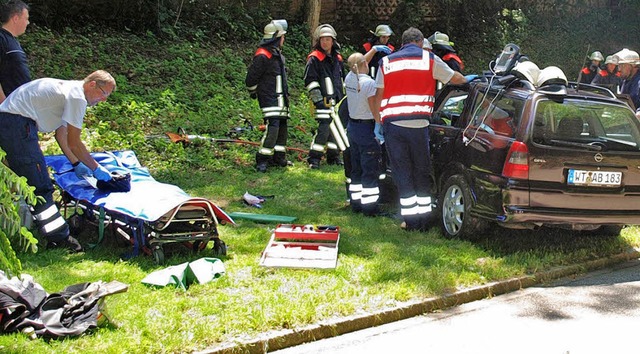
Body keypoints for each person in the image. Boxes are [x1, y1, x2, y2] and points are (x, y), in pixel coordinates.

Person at [0, 70, 117, 252]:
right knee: (40, 186)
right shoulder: (77, 97)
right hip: (17, 125)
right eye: (104, 94)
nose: (103, 100)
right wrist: (97, 168)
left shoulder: (70, 90)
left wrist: (77, 163)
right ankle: (59, 239)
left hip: (12, 122)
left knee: (33, 184)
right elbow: (75, 142)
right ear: (92, 84)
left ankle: (49, 231)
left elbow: (61, 134)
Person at [374, 27, 467, 231]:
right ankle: (423, 221)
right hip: (419, 126)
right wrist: (468, 80)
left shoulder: (387, 61)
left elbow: (378, 94)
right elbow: (453, 78)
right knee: (421, 171)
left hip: (394, 126)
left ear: (403, 42)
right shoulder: (429, 59)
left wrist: (377, 122)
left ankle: (410, 221)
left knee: (402, 173)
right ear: (419, 41)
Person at [245, 20, 290, 173]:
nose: (284, 39)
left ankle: (278, 158)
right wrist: (254, 92)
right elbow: (251, 79)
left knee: (282, 128)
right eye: (282, 37)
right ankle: (262, 160)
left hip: (281, 99)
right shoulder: (263, 55)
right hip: (270, 98)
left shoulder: (277, 55)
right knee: (273, 128)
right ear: (276, 37)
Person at [304, 24, 347, 169]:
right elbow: (310, 81)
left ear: (333, 41)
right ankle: (314, 158)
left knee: (336, 130)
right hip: (323, 101)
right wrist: (317, 100)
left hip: (338, 100)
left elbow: (342, 79)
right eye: (322, 40)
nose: (325, 42)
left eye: (328, 39)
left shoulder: (338, 59)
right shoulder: (314, 58)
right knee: (323, 130)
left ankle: (333, 156)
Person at [344, 52, 380, 216]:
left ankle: (356, 203)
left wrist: (372, 49)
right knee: (369, 170)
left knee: (356, 168)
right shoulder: (369, 84)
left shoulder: (349, 78)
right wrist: (379, 124)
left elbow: (357, 63)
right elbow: (373, 108)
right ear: (365, 64)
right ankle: (370, 208)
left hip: (353, 127)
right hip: (366, 128)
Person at [0, 0, 30, 103]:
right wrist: (3, 102)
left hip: (18, 105)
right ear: (16, 18)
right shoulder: (1, 38)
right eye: (26, 19)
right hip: (7, 107)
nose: (28, 22)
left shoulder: (13, 41)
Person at [614, 48, 640, 117]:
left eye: (622, 65)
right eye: (619, 66)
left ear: (633, 66)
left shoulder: (638, 82)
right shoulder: (625, 81)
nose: (619, 69)